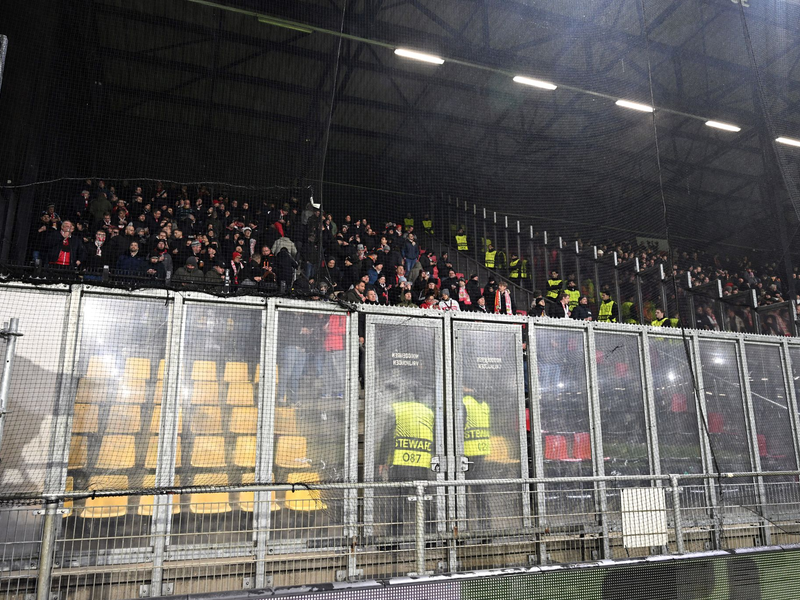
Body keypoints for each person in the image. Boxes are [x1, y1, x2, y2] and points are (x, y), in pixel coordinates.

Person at [377, 394, 435, 548]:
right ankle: (430, 537)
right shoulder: (428, 411)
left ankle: (394, 540)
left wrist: (382, 461)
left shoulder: (397, 409)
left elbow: (387, 437)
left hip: (400, 462)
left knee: (398, 502)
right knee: (425, 501)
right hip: (422, 464)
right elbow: (435, 438)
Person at [461, 386, 492, 532]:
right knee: (480, 492)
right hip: (481, 453)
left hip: (466, 454)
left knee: (461, 493)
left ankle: (463, 528)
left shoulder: (465, 403)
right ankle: (486, 528)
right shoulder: (483, 404)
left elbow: (457, 429)